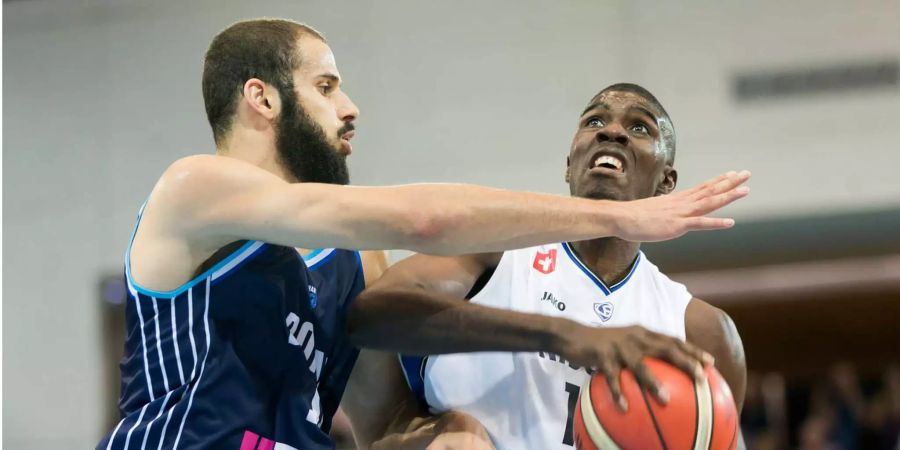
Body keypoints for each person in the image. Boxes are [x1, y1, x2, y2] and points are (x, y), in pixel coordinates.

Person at [97, 17, 751, 450]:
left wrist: (443, 432)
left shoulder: (350, 264)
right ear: (263, 99)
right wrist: (617, 218)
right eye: (326, 86)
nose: (350, 108)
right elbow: (425, 221)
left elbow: (382, 424)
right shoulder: (194, 189)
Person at [344, 84, 749, 450]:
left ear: (666, 182)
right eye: (594, 120)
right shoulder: (493, 254)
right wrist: (565, 335)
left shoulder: (700, 328)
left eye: (640, 127)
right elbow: (369, 316)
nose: (611, 131)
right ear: (569, 165)